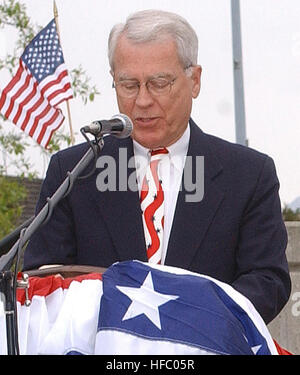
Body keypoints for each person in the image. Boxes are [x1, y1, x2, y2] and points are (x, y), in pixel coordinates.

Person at [23, 9, 291, 324]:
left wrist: (191, 324)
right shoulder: (73, 172)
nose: (143, 100)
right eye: (129, 84)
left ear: (195, 80)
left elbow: (267, 280)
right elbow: (43, 282)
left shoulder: (248, 175)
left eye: (159, 83)